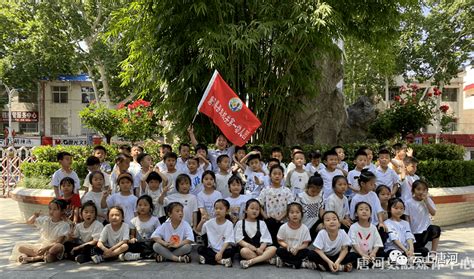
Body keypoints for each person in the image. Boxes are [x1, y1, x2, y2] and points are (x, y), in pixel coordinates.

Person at [14, 199, 69, 264]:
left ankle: (35, 258)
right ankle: (36, 257)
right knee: (20, 248)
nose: (51, 212)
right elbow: (29, 222)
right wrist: (35, 215)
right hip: (42, 246)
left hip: (52, 247)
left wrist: (46, 248)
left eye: (55, 209)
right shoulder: (46, 220)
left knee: (58, 247)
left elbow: (58, 242)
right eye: (50, 209)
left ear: (62, 211)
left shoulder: (64, 225)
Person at [235, 199, 277, 269]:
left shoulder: (262, 223)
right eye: (252, 208)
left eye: (257, 209)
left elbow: (265, 239)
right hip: (248, 250)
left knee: (273, 248)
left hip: (261, 250)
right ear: (246, 210)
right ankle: (266, 259)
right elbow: (239, 240)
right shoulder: (240, 223)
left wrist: (261, 248)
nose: (254, 211)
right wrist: (252, 248)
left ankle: (251, 262)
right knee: (244, 251)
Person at [259, 165, 294, 245]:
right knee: (270, 241)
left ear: (283, 176)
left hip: (283, 222)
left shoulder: (287, 191)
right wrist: (266, 217)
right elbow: (259, 205)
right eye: (274, 174)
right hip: (269, 222)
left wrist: (280, 217)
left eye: (279, 174)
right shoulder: (265, 190)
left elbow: (290, 207)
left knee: (281, 241)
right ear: (270, 176)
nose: (277, 176)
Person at [405, 180, 440, 257]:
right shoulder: (408, 202)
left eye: (424, 190)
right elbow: (406, 218)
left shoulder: (428, 200)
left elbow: (433, 213)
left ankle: (433, 253)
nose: (421, 192)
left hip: (425, 231)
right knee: (423, 251)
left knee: (436, 229)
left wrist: (426, 202)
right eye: (418, 189)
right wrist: (408, 233)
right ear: (413, 190)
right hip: (414, 234)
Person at [196, 199, 235, 267]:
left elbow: (228, 240)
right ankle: (222, 261)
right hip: (212, 249)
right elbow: (198, 230)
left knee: (231, 251)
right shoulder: (210, 222)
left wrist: (220, 253)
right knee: (200, 249)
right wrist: (202, 221)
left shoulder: (229, 224)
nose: (218, 211)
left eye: (221, 209)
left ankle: (207, 260)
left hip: (223, 250)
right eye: (216, 208)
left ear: (227, 211)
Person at [274, 202, 313, 269]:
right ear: (288, 215)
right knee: (279, 251)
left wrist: (297, 248)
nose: (295, 215)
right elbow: (280, 240)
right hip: (287, 250)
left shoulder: (305, 228)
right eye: (292, 213)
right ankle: (300, 264)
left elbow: (305, 244)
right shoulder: (283, 227)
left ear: (301, 215)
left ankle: (285, 262)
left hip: (299, 250)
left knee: (308, 252)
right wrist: (287, 246)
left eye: (297, 212)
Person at [347, 202, 384, 268]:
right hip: (357, 253)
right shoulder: (353, 227)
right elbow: (353, 243)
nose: (364, 211)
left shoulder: (373, 227)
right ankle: (368, 263)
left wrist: (373, 253)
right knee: (351, 257)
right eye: (361, 210)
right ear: (356, 214)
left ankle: (368, 262)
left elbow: (377, 243)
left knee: (382, 254)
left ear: (370, 214)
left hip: (370, 253)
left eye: (367, 210)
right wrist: (362, 254)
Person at [349, 170, 387, 236]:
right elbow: (353, 216)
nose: (374, 186)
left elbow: (378, 209)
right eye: (371, 184)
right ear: (363, 184)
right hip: (362, 226)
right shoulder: (356, 199)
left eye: (374, 184)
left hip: (375, 224)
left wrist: (381, 222)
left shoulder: (373, 194)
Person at [128, 195, 161, 260]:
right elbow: (132, 235)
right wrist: (133, 239)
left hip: (151, 243)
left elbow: (159, 234)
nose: (142, 207)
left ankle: (144, 255)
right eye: (140, 205)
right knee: (130, 245)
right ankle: (147, 255)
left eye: (145, 205)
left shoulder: (155, 220)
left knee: (157, 245)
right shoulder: (133, 221)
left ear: (150, 207)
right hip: (139, 244)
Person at [384, 198, 415, 263]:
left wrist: (411, 249)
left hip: (405, 249)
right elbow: (394, 238)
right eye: (396, 208)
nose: (399, 210)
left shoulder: (405, 223)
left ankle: (406, 257)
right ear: (389, 209)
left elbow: (409, 235)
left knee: (424, 251)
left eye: (401, 208)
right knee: (394, 254)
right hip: (393, 249)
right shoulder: (387, 223)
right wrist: (406, 250)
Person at [296, 173, 325, 240]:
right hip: (303, 225)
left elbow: (321, 210)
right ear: (308, 186)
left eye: (318, 191)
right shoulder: (300, 197)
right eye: (313, 191)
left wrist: (325, 220)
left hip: (315, 224)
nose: (315, 193)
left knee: (325, 227)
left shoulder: (320, 196)